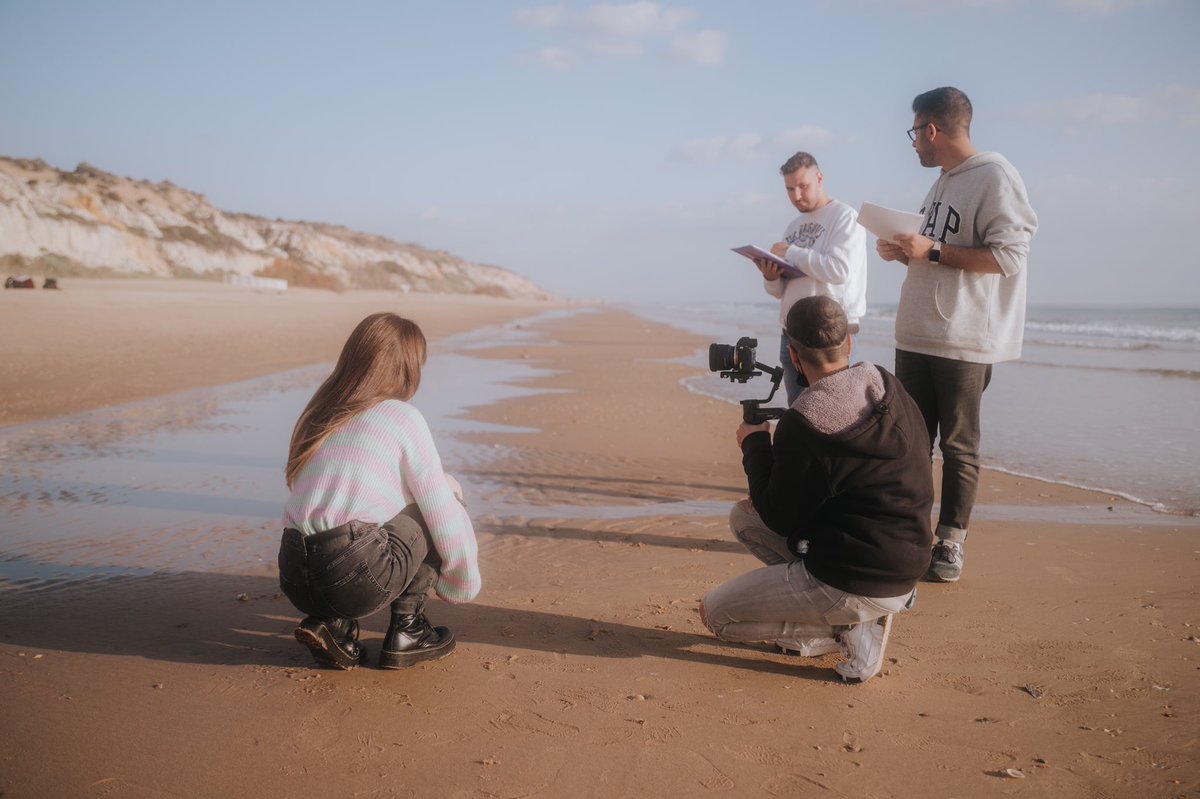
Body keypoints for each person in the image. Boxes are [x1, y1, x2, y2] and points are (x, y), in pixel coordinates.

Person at [699, 296, 933, 683]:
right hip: (907, 559)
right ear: (849, 344)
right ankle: (852, 613)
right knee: (744, 517)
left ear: (792, 355)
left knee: (718, 616)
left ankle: (844, 628)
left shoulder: (807, 421)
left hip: (858, 577)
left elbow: (779, 516)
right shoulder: (886, 385)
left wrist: (754, 445)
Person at [877, 86, 1038, 583]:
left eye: (914, 134)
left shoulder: (996, 176)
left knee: (959, 446)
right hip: (917, 332)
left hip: (963, 338)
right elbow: (938, 247)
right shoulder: (944, 181)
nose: (912, 145)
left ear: (932, 129)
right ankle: (909, 535)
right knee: (911, 443)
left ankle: (949, 543)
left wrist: (933, 251)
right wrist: (906, 251)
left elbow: (1009, 256)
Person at [277, 312, 481, 670]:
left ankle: (334, 624)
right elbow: (441, 512)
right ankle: (409, 629)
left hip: (294, 573)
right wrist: (462, 579)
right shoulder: (401, 417)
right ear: (406, 368)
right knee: (442, 494)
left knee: (357, 509)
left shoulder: (319, 415)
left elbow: (313, 493)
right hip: (354, 572)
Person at [752, 152, 867, 405]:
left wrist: (791, 251)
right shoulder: (793, 226)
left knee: (833, 410)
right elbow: (780, 291)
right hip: (791, 332)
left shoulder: (844, 217)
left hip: (830, 334)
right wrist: (771, 277)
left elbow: (839, 270)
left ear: (820, 178)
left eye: (803, 186)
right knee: (798, 411)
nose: (796, 196)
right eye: (790, 189)